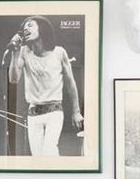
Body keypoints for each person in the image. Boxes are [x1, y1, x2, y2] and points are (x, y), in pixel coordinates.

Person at [8, 15, 83, 156]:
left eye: (30, 25)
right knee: (37, 156)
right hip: (33, 113)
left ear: (42, 29)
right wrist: (15, 53)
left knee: (49, 151)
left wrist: (76, 111)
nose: (26, 28)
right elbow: (13, 79)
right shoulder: (23, 52)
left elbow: (70, 83)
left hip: (54, 111)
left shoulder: (59, 52)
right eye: (24, 27)